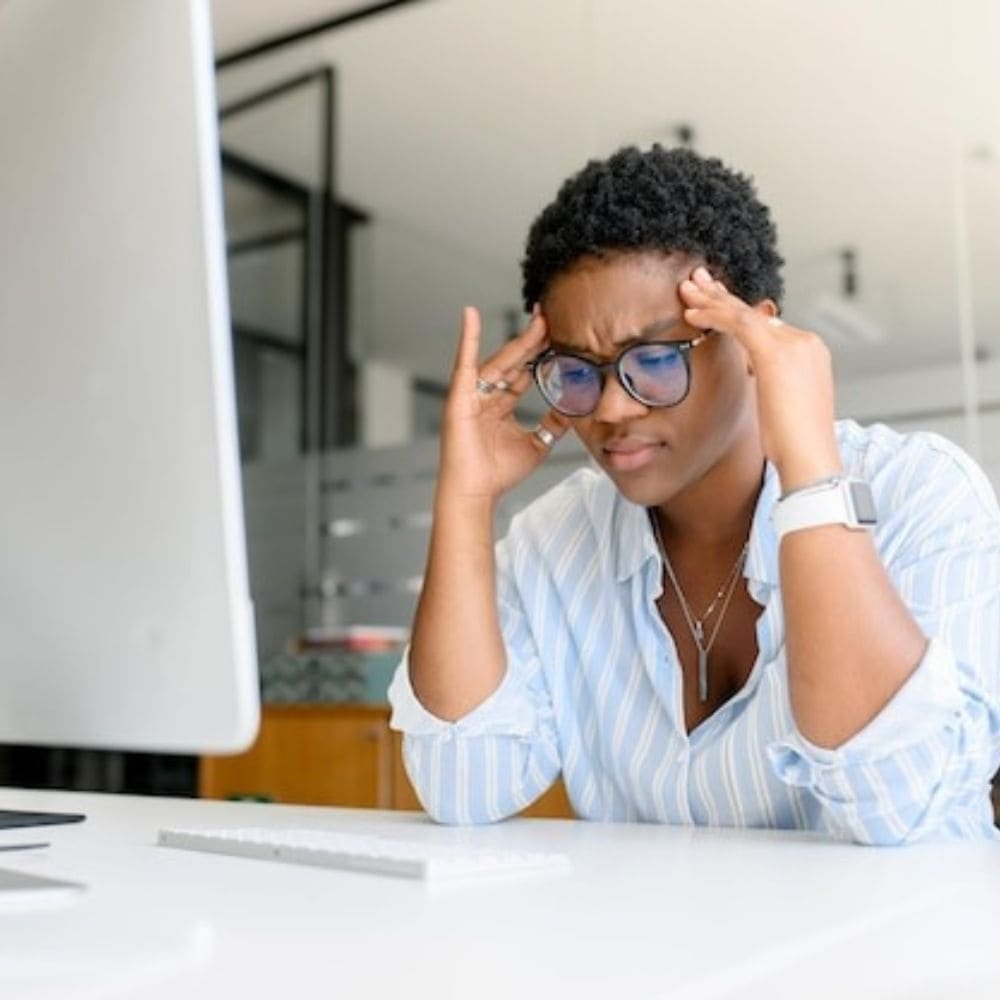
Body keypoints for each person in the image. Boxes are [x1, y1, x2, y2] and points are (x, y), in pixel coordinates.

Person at [387, 145, 1000, 845]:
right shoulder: (551, 543)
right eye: (577, 370)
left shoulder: (919, 493)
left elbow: (901, 807)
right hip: (668, 954)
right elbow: (466, 785)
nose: (611, 409)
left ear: (750, 337)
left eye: (653, 359)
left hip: (899, 949)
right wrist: (465, 502)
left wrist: (811, 476)